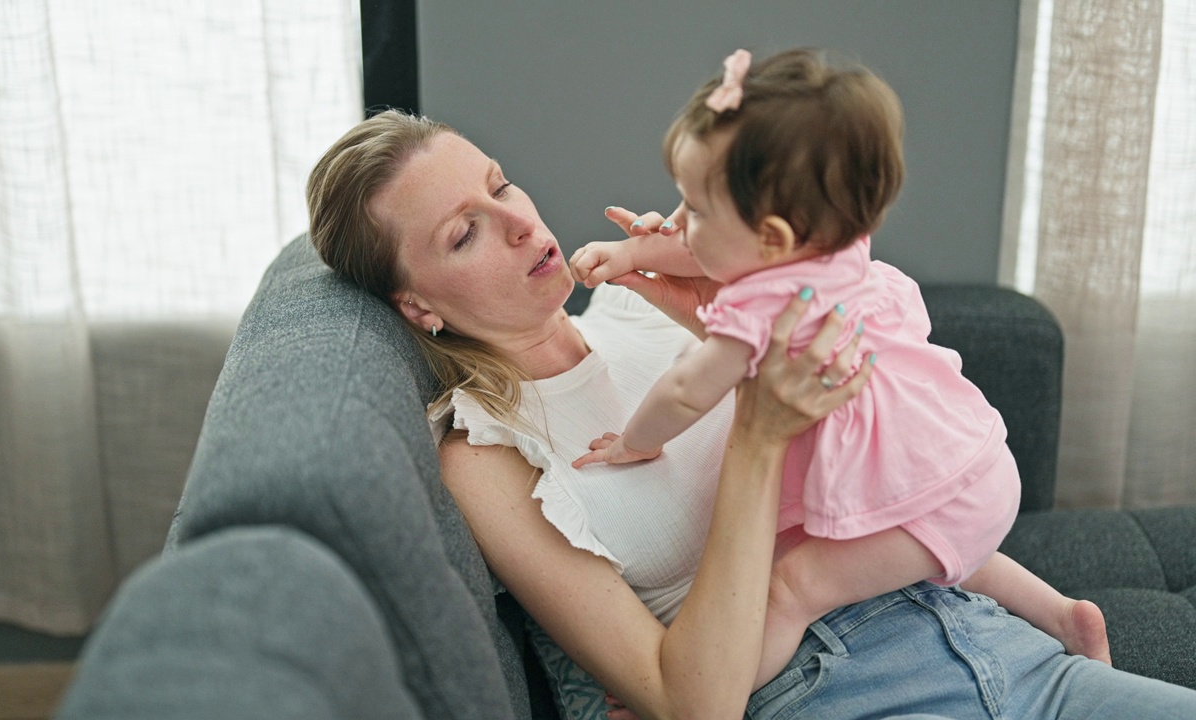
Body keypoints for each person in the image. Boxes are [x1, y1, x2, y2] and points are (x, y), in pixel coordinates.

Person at [303, 105, 1196, 718]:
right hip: (833, 691)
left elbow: (866, 460)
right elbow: (685, 698)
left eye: (500, 186)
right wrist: (757, 434)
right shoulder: (486, 454)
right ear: (418, 306)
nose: (518, 225)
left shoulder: (638, 307)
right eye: (462, 232)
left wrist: (731, 307)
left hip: (978, 626)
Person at [566, 47, 1108, 681]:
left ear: (771, 237)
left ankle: (717, 699)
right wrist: (633, 254)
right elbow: (707, 252)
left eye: (697, 208)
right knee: (933, 537)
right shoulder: (834, 243)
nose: (679, 222)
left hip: (945, 488)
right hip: (977, 467)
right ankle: (1065, 617)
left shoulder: (766, 307)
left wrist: (636, 443)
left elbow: (688, 390)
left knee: (788, 588)